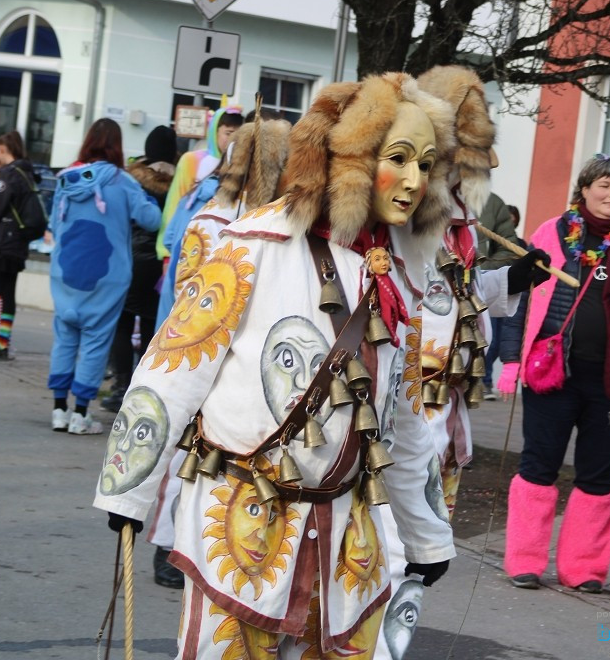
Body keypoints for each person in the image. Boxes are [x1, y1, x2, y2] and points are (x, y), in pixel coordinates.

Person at [94, 72, 459, 657]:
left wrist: (427, 536)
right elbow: (171, 371)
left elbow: (402, 421)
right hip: (239, 536)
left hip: (347, 552)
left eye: (426, 163)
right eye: (398, 158)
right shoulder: (250, 247)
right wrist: (128, 494)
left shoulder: (397, 276)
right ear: (354, 158)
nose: (414, 181)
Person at [381, 65, 546, 658]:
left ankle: (390, 644)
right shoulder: (405, 218)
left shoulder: (460, 224)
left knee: (425, 548)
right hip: (398, 402)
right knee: (394, 546)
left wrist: (511, 279)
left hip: (440, 403)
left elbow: (458, 293)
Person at [497, 153, 610, 593]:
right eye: (604, 185)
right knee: (538, 465)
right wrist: (509, 361)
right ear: (584, 189)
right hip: (552, 373)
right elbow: (519, 300)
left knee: (597, 474)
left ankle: (584, 569)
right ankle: (524, 561)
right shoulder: (552, 233)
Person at [142, 115, 292, 589]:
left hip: (248, 364)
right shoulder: (213, 223)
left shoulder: (279, 228)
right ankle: (168, 544)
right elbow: (191, 297)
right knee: (184, 454)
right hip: (203, 355)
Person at [47, 118, 162, 435]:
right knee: (96, 341)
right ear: (117, 145)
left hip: (66, 274)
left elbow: (55, 227)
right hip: (107, 277)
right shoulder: (121, 180)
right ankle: (80, 414)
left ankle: (58, 409)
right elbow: (150, 220)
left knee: (65, 337)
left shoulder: (66, 179)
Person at [100, 126, 176, 413]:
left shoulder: (133, 179)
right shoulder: (184, 178)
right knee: (150, 326)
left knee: (122, 322)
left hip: (131, 258)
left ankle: (120, 387)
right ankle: (142, 387)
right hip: (162, 263)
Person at [154, 105, 242, 329]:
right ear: (215, 131)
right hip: (182, 252)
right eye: (227, 132)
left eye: (236, 134)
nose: (230, 139)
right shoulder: (192, 160)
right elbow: (175, 204)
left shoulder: (238, 175)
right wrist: (165, 254)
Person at [0, 131, 36, 359]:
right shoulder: (27, 174)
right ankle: (1, 342)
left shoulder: (9, 175)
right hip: (15, 246)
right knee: (4, 293)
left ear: (2, 149)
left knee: (2, 292)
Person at [478, 195, 524, 399]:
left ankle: (482, 380)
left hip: (479, 293)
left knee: (490, 340)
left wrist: (479, 272)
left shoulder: (492, 203)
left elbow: (507, 250)